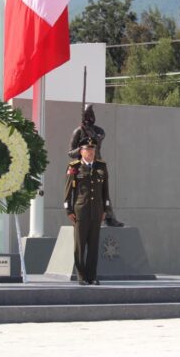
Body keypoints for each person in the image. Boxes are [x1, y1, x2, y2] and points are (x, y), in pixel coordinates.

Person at [68, 104, 124, 227]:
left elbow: (100, 137)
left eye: (91, 114)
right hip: (83, 167)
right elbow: (70, 152)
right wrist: (81, 149)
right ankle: (80, 217)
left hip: (98, 165)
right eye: (87, 115)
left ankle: (109, 217)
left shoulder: (98, 131)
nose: (90, 118)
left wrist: (91, 136)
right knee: (81, 194)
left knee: (104, 192)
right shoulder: (78, 131)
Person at [64, 137, 110, 285]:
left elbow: (105, 191)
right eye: (87, 150)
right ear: (81, 151)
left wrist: (106, 209)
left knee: (94, 246)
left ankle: (92, 276)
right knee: (79, 246)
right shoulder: (74, 167)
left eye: (92, 150)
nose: (90, 153)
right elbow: (68, 191)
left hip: (96, 212)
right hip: (80, 212)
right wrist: (68, 210)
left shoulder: (101, 167)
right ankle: (81, 276)